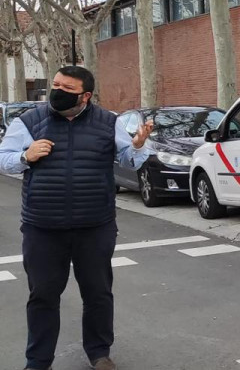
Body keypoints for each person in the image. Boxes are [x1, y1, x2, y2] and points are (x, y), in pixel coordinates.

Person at [0, 66, 152, 370]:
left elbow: (128, 160)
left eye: (66, 88)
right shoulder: (29, 121)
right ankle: (38, 361)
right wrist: (25, 156)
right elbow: (4, 158)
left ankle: (99, 352)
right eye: (55, 84)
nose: (56, 91)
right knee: (42, 296)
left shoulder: (109, 122)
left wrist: (137, 145)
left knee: (98, 293)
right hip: (42, 227)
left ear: (85, 96)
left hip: (95, 226)